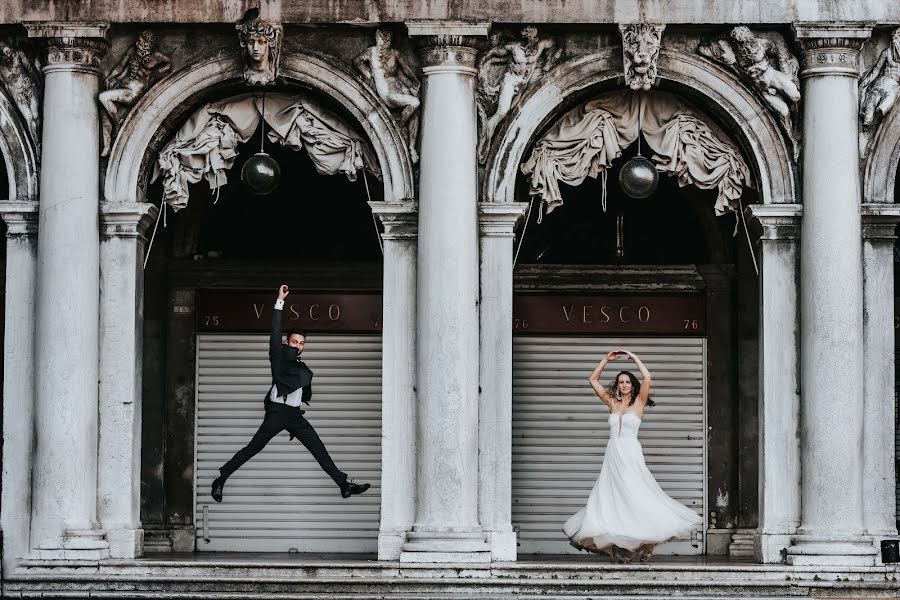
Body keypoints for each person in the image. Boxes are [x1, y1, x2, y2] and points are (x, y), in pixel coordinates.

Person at [211, 284, 370, 502]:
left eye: (302, 343)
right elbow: (275, 329)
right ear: (287, 342)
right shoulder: (278, 356)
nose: (298, 346)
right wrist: (280, 301)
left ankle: (343, 485)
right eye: (294, 342)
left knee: (318, 449)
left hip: (294, 415)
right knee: (253, 449)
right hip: (277, 413)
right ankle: (220, 479)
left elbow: (301, 392)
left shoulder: (299, 367)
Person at [563, 349, 702, 563]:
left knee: (635, 496)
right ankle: (623, 550)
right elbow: (592, 379)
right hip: (612, 455)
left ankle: (646, 542)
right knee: (613, 499)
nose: (624, 385)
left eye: (627, 381)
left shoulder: (639, 402)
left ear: (632, 384)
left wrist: (633, 356)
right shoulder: (612, 402)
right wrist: (605, 360)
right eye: (621, 382)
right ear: (617, 385)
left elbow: (647, 377)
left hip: (630, 454)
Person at [98, 30, 172, 156]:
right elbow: (120, 66)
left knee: (103, 97)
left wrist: (155, 75)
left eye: (141, 41)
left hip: (134, 92)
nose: (137, 43)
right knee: (104, 112)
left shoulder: (156, 56)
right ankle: (107, 145)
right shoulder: (132, 51)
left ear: (147, 44)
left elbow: (168, 64)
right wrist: (110, 77)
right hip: (123, 87)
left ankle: (118, 124)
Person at [353, 29, 420, 163]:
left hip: (399, 86)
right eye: (381, 40)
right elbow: (357, 60)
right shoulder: (371, 52)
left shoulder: (394, 53)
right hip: (386, 90)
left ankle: (412, 147)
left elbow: (405, 68)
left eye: (387, 40)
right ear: (377, 39)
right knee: (414, 103)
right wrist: (367, 73)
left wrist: (415, 80)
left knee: (415, 110)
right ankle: (400, 125)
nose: (384, 43)